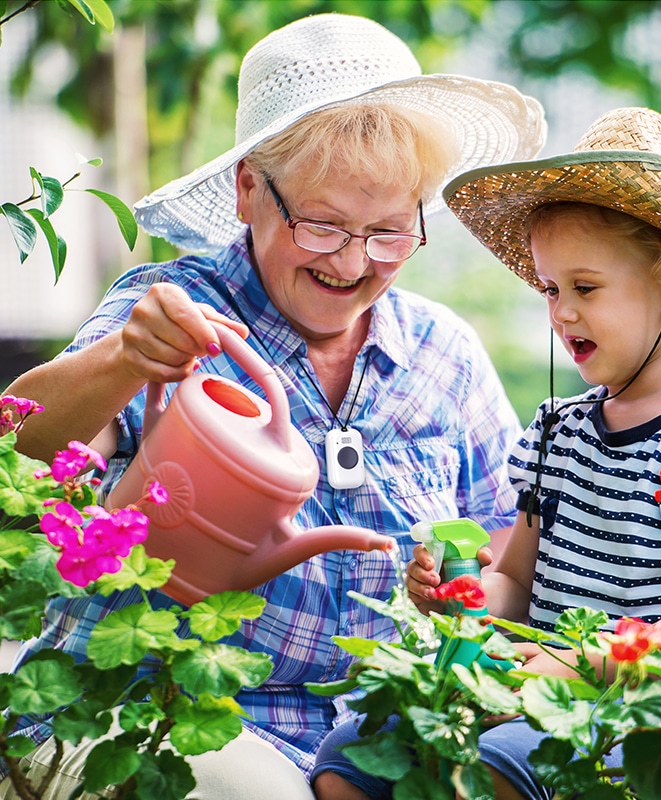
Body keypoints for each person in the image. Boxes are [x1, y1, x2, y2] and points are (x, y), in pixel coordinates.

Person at [0, 13, 547, 800]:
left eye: (390, 233)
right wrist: (124, 359)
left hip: (371, 740)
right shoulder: (176, 312)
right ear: (250, 186)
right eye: (323, 226)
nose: (355, 263)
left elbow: (502, 554)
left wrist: (462, 589)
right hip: (158, 718)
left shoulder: (442, 354)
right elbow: (16, 453)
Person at [311, 107, 661, 800]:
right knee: (349, 756)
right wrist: (465, 597)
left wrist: (585, 664)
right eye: (549, 288)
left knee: (495, 769)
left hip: (660, 715)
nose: (560, 313)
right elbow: (517, 583)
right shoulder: (557, 430)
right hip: (540, 690)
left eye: (585, 289)